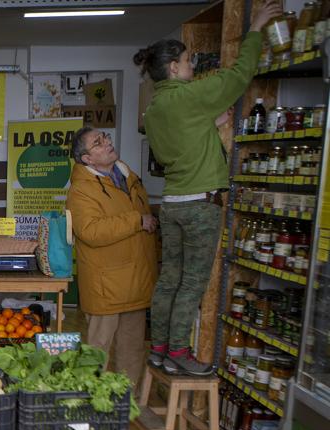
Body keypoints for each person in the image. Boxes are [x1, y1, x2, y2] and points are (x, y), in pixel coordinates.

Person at [135, 0, 280, 376]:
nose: (191, 66)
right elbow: (239, 75)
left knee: (169, 279)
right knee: (192, 283)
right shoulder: (190, 95)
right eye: (187, 61)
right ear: (173, 67)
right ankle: (180, 352)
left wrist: (209, 126)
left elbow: (181, 145)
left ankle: (161, 347)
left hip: (172, 203)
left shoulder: (154, 109)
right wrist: (256, 29)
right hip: (201, 205)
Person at [67, 127, 158, 388]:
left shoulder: (128, 176)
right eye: (98, 142)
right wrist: (136, 221)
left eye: (105, 137)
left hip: (137, 280)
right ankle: (88, 404)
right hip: (106, 285)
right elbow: (91, 231)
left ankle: (123, 407)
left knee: (132, 351)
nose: (107, 142)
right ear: (87, 159)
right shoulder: (80, 190)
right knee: (97, 352)